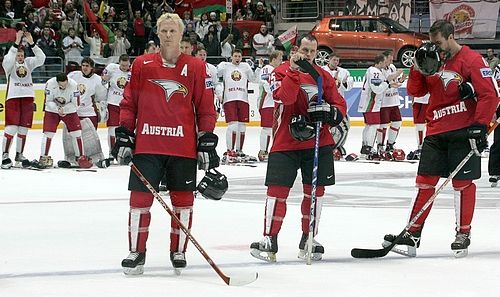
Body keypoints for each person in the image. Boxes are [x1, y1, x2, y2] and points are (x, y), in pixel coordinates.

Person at [114, 12, 219, 275]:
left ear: (182, 35)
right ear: (158, 34)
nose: (169, 35)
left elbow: (206, 108)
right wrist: (125, 132)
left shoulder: (196, 67)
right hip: (147, 146)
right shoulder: (141, 64)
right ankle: (136, 251)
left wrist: (205, 138)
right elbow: (129, 103)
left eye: (174, 31)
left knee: (183, 202)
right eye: (164, 31)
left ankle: (179, 250)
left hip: (183, 148)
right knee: (139, 201)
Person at [384, 20, 498, 258]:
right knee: (424, 182)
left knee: (462, 184)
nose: (436, 48)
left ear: (451, 36)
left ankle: (463, 233)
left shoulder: (471, 60)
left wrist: (479, 125)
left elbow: (490, 94)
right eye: (432, 42)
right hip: (435, 130)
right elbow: (417, 92)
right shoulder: (432, 58)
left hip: (463, 130)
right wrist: (417, 67)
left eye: (439, 43)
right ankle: (412, 233)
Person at [250, 34, 347, 262]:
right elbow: (285, 97)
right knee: (276, 192)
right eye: (305, 50)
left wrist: (333, 113)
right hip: (285, 141)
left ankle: (308, 237)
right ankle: (270, 238)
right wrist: (294, 71)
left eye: (312, 51)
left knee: (315, 193)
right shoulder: (281, 72)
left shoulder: (323, 76)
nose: (309, 55)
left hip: (318, 142)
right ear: (296, 49)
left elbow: (339, 103)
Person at [1, 30, 45, 169]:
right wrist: (16, 42)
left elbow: (41, 58)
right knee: (11, 128)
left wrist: (32, 43)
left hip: (27, 98)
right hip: (13, 98)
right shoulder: (10, 65)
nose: (20, 57)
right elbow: (7, 60)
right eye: (18, 55)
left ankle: (19, 155)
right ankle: (5, 155)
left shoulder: (29, 63)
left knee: (24, 129)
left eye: (22, 55)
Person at [38, 73, 93, 169]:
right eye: (61, 85)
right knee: (48, 133)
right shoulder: (50, 84)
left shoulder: (74, 85)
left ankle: (80, 157)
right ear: (57, 82)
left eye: (65, 85)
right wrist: (57, 109)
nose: (63, 87)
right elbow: (48, 101)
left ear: (67, 81)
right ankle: (43, 157)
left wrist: (65, 109)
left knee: (77, 133)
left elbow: (76, 103)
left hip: (70, 109)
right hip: (52, 110)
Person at [217, 49, 259, 162]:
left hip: (243, 99)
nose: (237, 58)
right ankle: (230, 150)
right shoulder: (225, 66)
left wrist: (257, 68)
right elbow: (216, 75)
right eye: (235, 56)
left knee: (242, 126)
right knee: (233, 125)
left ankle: (239, 150)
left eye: (239, 56)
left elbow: (253, 79)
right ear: (231, 57)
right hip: (229, 98)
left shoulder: (245, 67)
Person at [357, 54, 390, 159]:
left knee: (369, 125)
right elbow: (377, 89)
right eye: (385, 62)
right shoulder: (375, 72)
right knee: (373, 125)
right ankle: (368, 147)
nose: (386, 64)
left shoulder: (372, 70)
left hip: (369, 103)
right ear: (380, 62)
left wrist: (388, 84)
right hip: (371, 103)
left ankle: (366, 147)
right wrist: (388, 82)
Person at [321, 51, 353, 158]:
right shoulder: (322, 70)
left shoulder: (344, 72)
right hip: (326, 103)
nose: (336, 62)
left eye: (337, 60)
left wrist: (341, 82)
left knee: (345, 125)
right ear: (329, 59)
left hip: (339, 103)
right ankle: (331, 147)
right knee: (332, 127)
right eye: (334, 60)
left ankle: (338, 146)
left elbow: (349, 86)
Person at [101, 54, 131, 159]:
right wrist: (104, 79)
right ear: (119, 63)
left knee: (126, 130)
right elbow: (103, 81)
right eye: (122, 65)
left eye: (126, 65)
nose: (124, 68)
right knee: (112, 129)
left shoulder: (133, 72)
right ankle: (112, 152)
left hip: (127, 105)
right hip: (112, 103)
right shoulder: (111, 68)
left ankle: (124, 151)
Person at [255, 50, 283, 161]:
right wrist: (278, 90)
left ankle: (271, 150)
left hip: (273, 103)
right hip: (267, 102)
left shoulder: (276, 70)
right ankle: (263, 151)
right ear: (274, 59)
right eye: (279, 59)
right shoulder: (267, 69)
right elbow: (267, 86)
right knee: (267, 128)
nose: (281, 61)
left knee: (274, 128)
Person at [378, 49, 406, 155]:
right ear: (384, 59)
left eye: (391, 58)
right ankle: (380, 145)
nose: (391, 61)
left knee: (397, 122)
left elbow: (395, 83)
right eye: (389, 59)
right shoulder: (379, 70)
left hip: (394, 101)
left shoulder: (392, 67)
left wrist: (401, 80)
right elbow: (387, 82)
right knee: (383, 124)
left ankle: (390, 144)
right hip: (384, 102)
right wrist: (395, 76)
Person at [67, 57, 107, 129]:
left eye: (87, 66)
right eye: (83, 65)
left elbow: (101, 97)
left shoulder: (98, 80)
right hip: (75, 112)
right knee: (75, 138)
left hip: (90, 113)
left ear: (91, 67)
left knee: (90, 138)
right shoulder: (73, 75)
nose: (84, 68)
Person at [194, 47, 223, 115]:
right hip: (194, 100)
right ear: (195, 55)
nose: (203, 57)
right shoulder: (191, 67)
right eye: (200, 55)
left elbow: (216, 84)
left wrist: (219, 95)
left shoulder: (211, 68)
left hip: (207, 101)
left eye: (204, 55)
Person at [407, 93, 429, 160]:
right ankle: (420, 147)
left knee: (430, 124)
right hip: (418, 100)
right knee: (419, 125)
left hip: (428, 100)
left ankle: (423, 147)